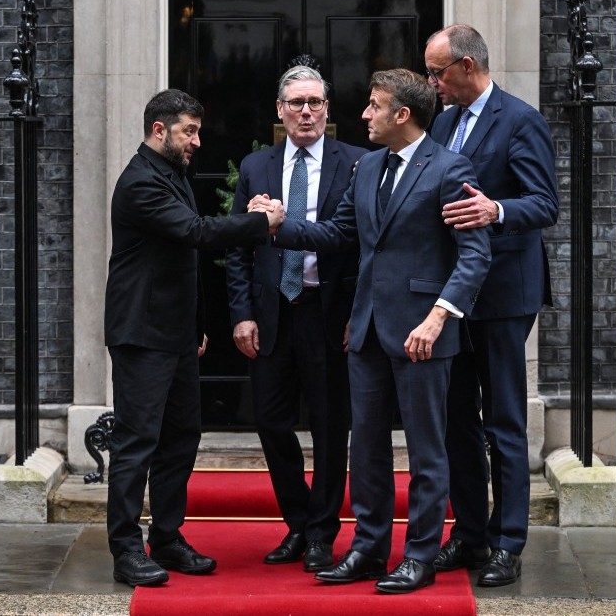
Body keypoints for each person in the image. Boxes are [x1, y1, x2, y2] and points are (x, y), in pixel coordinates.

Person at [253, 69, 490, 594]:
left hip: (424, 334)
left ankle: (421, 555)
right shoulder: (366, 167)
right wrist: (278, 223)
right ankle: (368, 547)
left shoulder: (451, 169)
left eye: (374, 105)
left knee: (428, 451)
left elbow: (474, 258)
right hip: (365, 332)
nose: (363, 114)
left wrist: (438, 316)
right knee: (367, 452)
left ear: (402, 115)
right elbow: (339, 234)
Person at [104, 89, 286, 587]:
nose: (198, 142)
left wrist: (198, 325)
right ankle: (126, 549)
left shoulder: (171, 174)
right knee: (137, 442)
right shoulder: (141, 182)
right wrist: (259, 222)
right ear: (159, 129)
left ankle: (166, 537)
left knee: (182, 438)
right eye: (190, 131)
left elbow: (184, 261)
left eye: (198, 131)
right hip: (142, 334)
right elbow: (196, 232)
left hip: (177, 333)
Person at [424, 24, 559, 587]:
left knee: (503, 419)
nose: (433, 84)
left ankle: (508, 542)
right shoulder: (445, 120)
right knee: (457, 420)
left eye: (438, 72)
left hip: (504, 293)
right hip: (453, 292)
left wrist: (494, 212)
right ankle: (469, 534)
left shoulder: (520, 119)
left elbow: (544, 202)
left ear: (469, 65)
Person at [225, 65, 366, 572]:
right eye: (296, 103)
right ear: (280, 111)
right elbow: (240, 248)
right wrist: (241, 315)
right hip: (273, 314)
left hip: (330, 315)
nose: (306, 111)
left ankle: (323, 535)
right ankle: (299, 523)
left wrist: (359, 314)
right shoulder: (255, 167)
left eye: (314, 102)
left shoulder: (358, 163)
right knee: (269, 421)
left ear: (328, 109)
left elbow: (360, 245)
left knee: (331, 428)